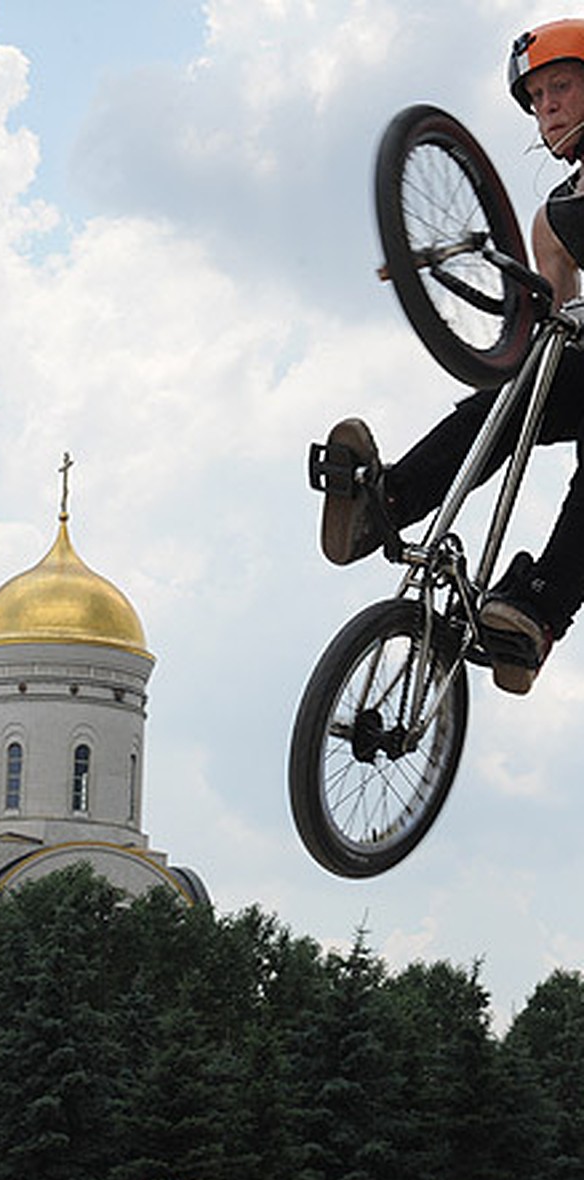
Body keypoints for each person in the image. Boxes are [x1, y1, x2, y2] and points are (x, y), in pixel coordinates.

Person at [321, 17, 584, 695]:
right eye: (537, 96)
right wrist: (428, 270)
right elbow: (541, 333)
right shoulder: (555, 220)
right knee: (515, 397)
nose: (548, 106)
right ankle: (388, 501)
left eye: (563, 86)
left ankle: (542, 605)